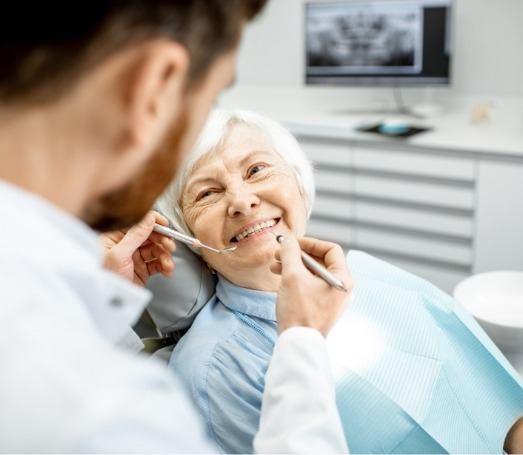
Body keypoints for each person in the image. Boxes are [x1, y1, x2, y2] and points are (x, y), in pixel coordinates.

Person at [0, 2, 351, 452]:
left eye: (258, 169)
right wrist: (301, 342)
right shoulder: (109, 409)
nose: (243, 200)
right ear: (155, 86)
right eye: (213, 96)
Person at [156, 109, 523, 454]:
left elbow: (496, 399)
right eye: (207, 193)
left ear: (299, 184)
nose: (242, 201)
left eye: (256, 170)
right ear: (190, 239)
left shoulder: (371, 275)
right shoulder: (212, 370)